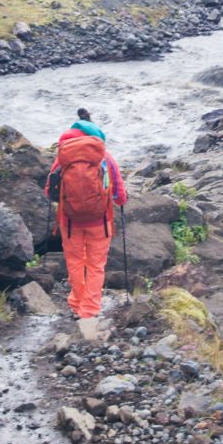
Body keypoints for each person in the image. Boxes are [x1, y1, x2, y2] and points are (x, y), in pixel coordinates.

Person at [46, 108, 127, 319]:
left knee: (75, 263)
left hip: (70, 221)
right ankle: (89, 310)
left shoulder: (63, 157)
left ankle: (76, 303)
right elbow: (120, 195)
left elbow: (49, 191)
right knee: (96, 265)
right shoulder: (104, 157)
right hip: (100, 221)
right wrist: (116, 200)